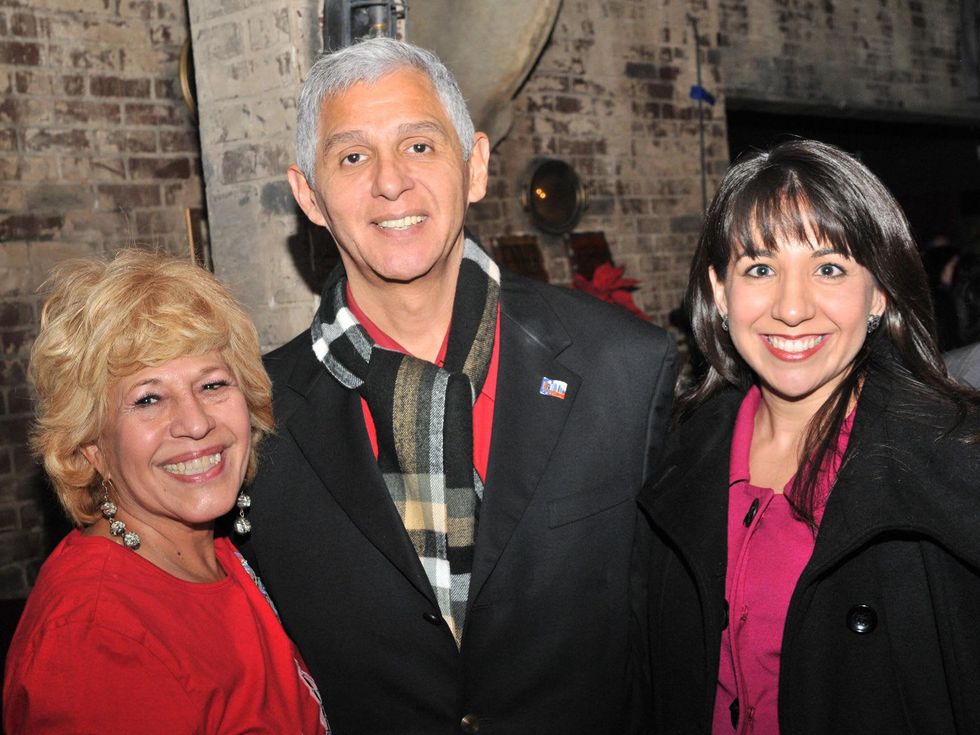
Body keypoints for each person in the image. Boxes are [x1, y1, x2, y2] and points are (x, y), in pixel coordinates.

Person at [240, 37, 678, 734]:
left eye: (419, 146)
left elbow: (669, 647)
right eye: (352, 156)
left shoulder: (622, 366)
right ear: (309, 196)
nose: (390, 182)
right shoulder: (252, 417)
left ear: (474, 166)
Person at [636, 140, 980, 733]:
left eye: (829, 268)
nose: (791, 308)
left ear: (879, 293)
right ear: (721, 293)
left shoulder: (955, 464)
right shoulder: (679, 456)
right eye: (761, 268)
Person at [3, 250, 329, 734]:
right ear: (92, 445)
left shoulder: (220, 553)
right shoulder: (94, 635)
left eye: (213, 384)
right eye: (148, 398)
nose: (196, 423)